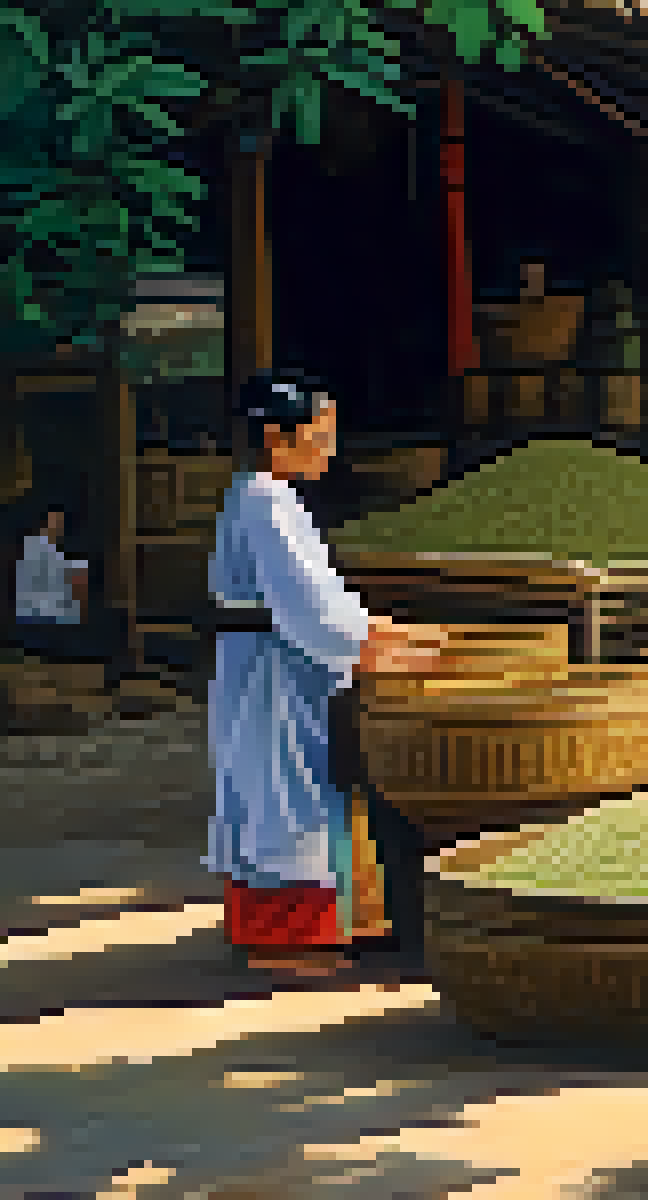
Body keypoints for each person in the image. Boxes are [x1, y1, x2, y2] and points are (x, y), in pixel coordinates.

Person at [206, 369, 438, 979]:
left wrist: (377, 628)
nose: (330, 447)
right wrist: (376, 640)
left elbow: (319, 600)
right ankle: (287, 940)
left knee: (295, 795)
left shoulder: (268, 497)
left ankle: (322, 926)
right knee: (284, 799)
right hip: (272, 676)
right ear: (280, 440)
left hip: (279, 664)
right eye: (320, 433)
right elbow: (310, 607)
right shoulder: (265, 501)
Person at [15, 506, 88, 660]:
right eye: (54, 521)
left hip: (50, 615)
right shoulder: (34, 546)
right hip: (39, 616)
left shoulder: (55, 549)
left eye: (60, 522)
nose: (57, 526)